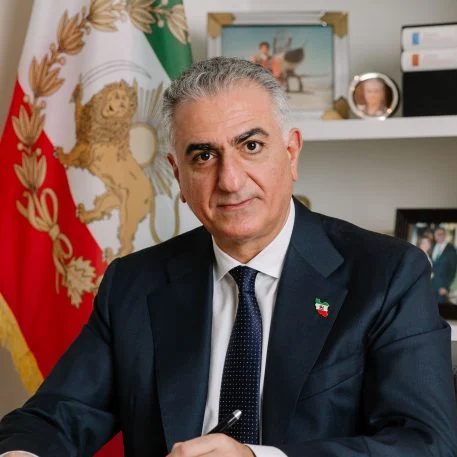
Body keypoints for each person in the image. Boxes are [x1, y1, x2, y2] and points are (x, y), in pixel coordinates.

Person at [1, 57, 457, 457]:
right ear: (177, 176)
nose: (231, 180)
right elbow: (53, 417)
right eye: (204, 156)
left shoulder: (387, 274)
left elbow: (426, 444)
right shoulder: (133, 284)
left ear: (291, 153)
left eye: (251, 146)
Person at [431, 227, 457, 304]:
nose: (440, 236)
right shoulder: (431, 247)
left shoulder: (451, 250)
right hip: (429, 286)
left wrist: (446, 287)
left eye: (442, 234)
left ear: (445, 235)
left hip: (441, 288)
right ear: (434, 236)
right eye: (438, 234)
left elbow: (452, 270)